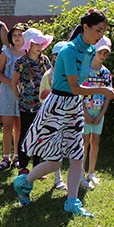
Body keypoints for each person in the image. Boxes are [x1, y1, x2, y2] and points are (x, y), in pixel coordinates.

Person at [13, 10, 114, 217]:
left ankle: (72, 201)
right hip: (57, 106)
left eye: (103, 31)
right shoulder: (69, 51)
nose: (100, 36)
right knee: (55, 161)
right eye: (98, 30)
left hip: (74, 105)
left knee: (77, 155)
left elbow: (79, 88)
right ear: (86, 27)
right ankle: (24, 182)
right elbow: (74, 87)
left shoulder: (90, 50)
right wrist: (103, 90)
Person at [12, 28, 53, 176]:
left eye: (41, 43)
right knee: (25, 134)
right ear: (29, 44)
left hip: (42, 105)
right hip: (26, 106)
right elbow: (14, 83)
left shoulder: (45, 60)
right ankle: (23, 165)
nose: (39, 46)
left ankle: (37, 167)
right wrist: (20, 98)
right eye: (36, 43)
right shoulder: (21, 62)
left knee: (40, 134)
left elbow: (50, 78)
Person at [80, 37, 113, 191]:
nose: (103, 56)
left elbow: (108, 96)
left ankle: (91, 173)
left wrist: (101, 115)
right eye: (100, 52)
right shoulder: (84, 70)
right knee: (84, 142)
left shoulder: (106, 73)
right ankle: (81, 172)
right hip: (84, 113)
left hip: (99, 113)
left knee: (95, 142)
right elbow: (78, 93)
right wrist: (85, 113)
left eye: (105, 53)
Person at [0, 23, 27, 171]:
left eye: (20, 35)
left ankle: (17, 156)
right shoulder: (6, 52)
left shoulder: (28, 52)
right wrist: (11, 83)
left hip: (23, 94)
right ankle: (5, 157)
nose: (17, 38)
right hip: (7, 93)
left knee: (19, 126)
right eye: (14, 35)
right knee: (7, 126)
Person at [38, 41, 68, 191]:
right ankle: (58, 178)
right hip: (54, 116)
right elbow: (42, 96)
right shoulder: (48, 75)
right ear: (55, 57)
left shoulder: (72, 73)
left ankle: (78, 176)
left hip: (69, 115)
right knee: (56, 147)